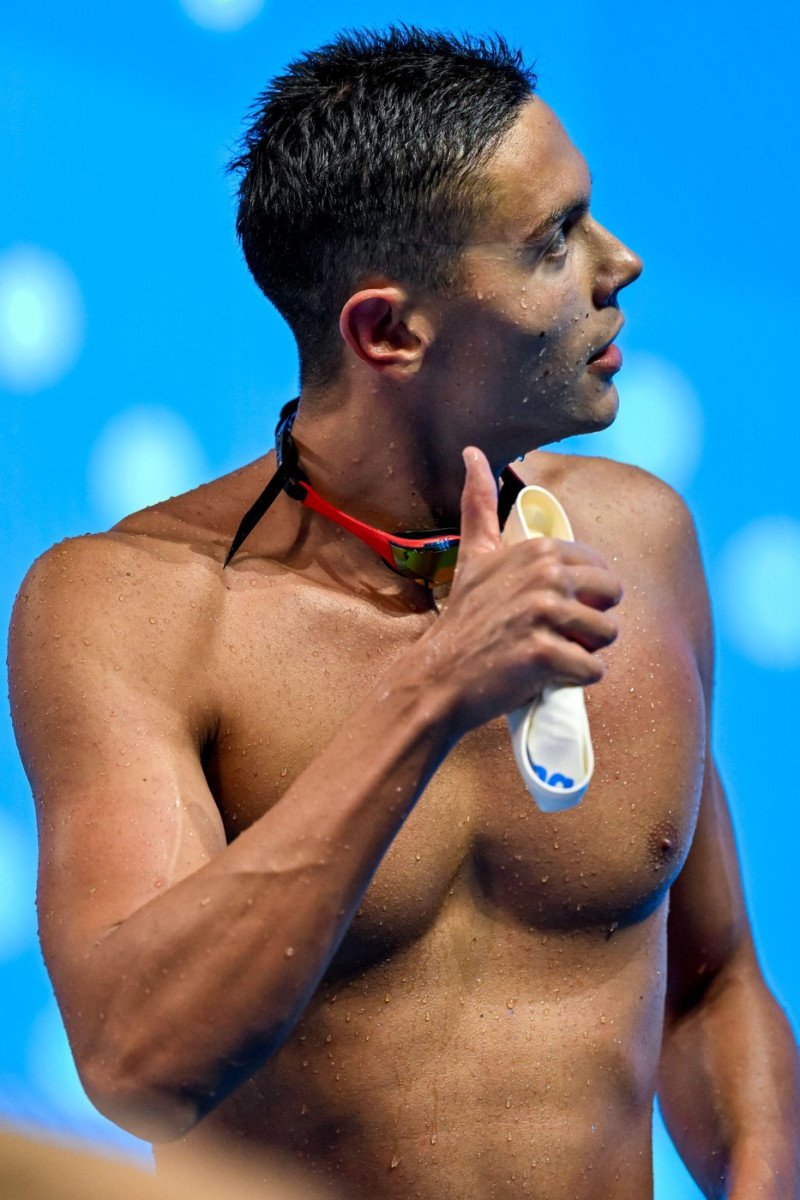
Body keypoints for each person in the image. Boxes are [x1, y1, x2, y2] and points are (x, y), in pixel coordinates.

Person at [8, 26, 799, 1200]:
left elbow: (707, 987)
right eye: (550, 242)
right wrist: (430, 693)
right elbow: (140, 1065)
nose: (617, 262)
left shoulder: (638, 542)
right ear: (386, 331)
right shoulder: (141, 611)